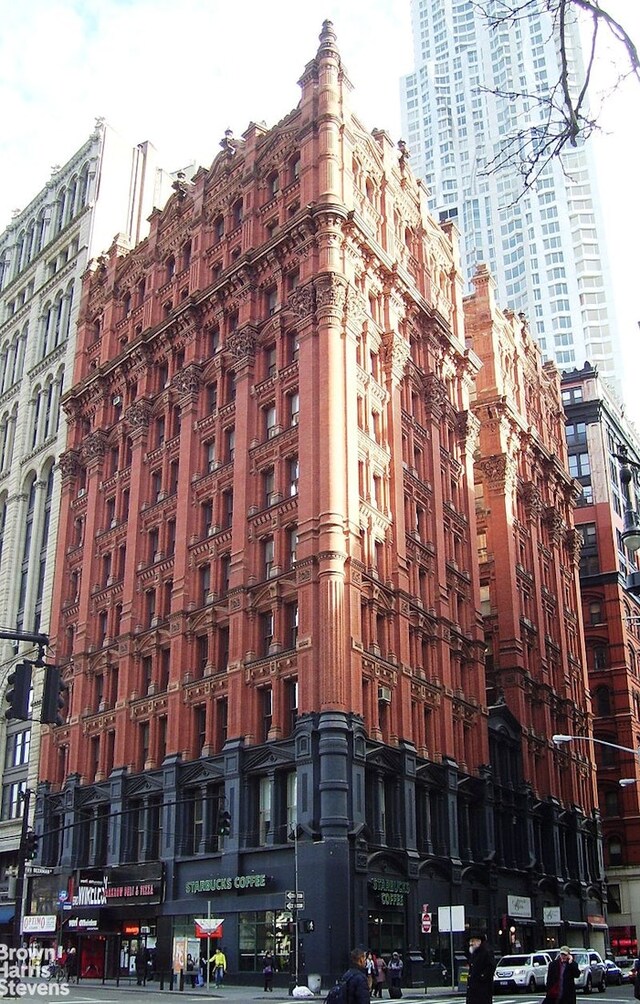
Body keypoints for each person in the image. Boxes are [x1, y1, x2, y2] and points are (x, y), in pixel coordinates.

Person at [466, 934, 495, 1004]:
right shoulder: (474, 953)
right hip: (474, 989)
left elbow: (491, 967)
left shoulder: (486, 952)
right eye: (470, 941)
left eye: (473, 941)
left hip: (482, 989)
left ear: (479, 941)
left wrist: (481, 977)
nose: (471, 943)